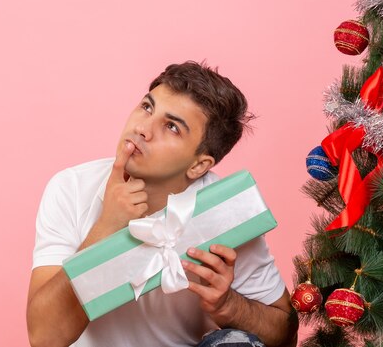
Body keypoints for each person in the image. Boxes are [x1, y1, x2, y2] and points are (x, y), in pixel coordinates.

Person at [27, 61, 298, 347]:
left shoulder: (227, 211)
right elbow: (44, 337)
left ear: (198, 165)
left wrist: (229, 305)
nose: (143, 128)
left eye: (171, 126)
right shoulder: (71, 188)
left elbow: (285, 335)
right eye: (146, 107)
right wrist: (105, 229)